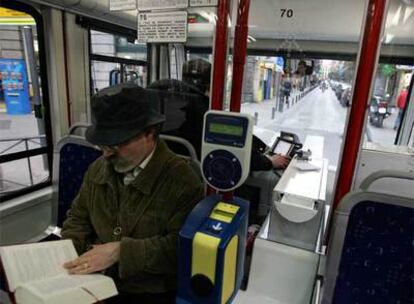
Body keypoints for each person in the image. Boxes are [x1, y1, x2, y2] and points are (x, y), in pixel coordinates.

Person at [61, 84, 204, 303]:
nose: (107, 153)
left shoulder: (183, 181)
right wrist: (70, 255)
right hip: (94, 277)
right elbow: (78, 218)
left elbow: (180, 248)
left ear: (150, 133)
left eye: (118, 143)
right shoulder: (98, 168)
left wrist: (120, 252)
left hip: (148, 291)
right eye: (103, 144)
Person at [171, 58, 290, 172]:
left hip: (178, 166)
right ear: (211, 85)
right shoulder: (207, 114)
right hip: (208, 169)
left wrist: (262, 147)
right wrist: (270, 162)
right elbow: (235, 149)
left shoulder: (175, 104)